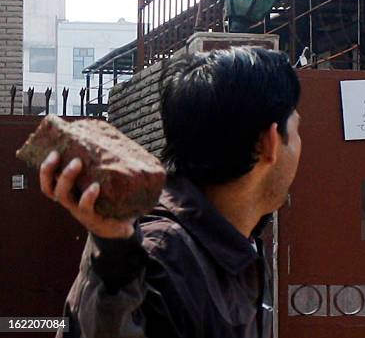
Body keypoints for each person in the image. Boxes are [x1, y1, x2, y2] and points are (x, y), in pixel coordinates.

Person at [38, 47, 302, 338]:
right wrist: (114, 258)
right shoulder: (161, 258)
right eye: (298, 129)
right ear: (270, 143)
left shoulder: (239, 243)